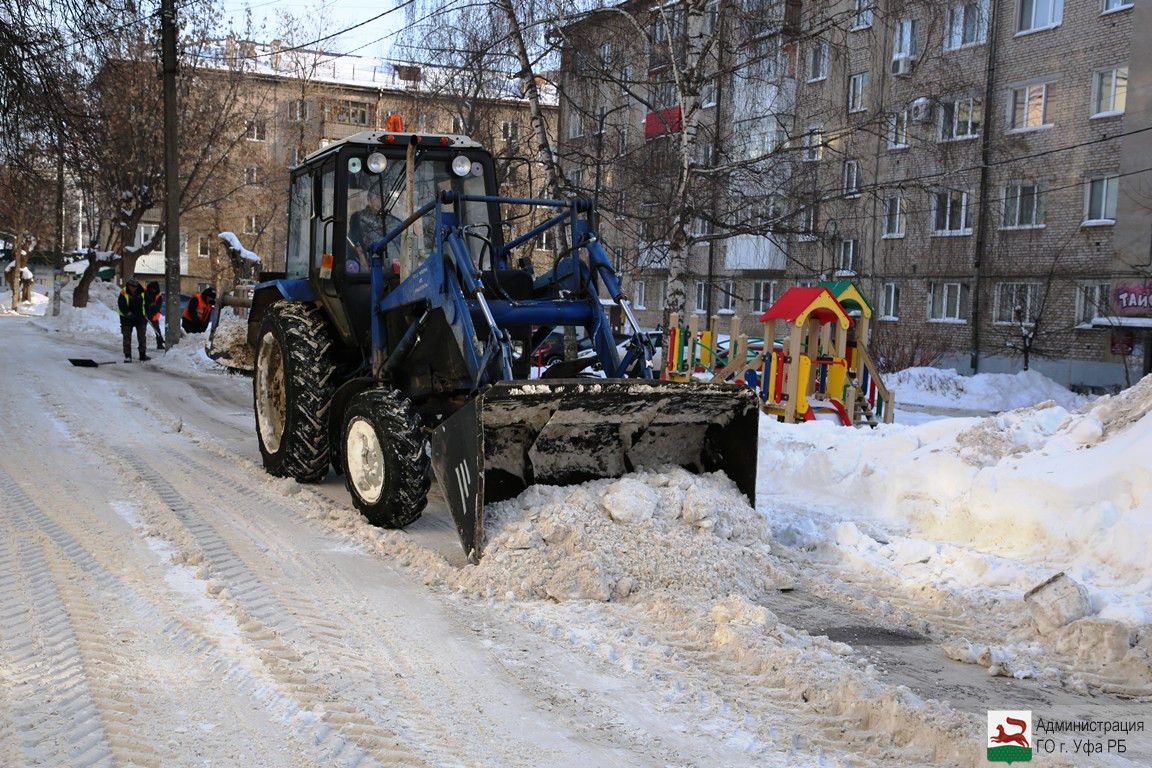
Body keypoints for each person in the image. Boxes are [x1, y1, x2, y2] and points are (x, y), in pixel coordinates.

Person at [346, 187, 403, 274]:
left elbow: (402, 248)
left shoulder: (395, 223)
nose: (383, 200)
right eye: (378, 197)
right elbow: (351, 248)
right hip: (365, 276)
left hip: (393, 274)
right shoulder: (359, 219)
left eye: (385, 197)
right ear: (369, 200)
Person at [118, 277, 150, 362]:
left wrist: (147, 314)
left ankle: (142, 355)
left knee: (142, 337)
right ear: (128, 286)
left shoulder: (142, 291)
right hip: (126, 319)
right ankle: (128, 356)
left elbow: (147, 303)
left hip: (140, 318)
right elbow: (122, 305)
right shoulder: (124, 292)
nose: (133, 289)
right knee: (127, 338)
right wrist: (129, 314)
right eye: (132, 287)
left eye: (135, 287)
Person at [145, 281, 164, 349]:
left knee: (157, 329)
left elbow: (158, 306)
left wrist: (151, 307)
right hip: (145, 314)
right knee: (142, 329)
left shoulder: (158, 295)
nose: (153, 290)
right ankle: (142, 346)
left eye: (155, 289)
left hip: (154, 314)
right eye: (152, 288)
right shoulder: (145, 293)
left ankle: (160, 344)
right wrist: (149, 306)